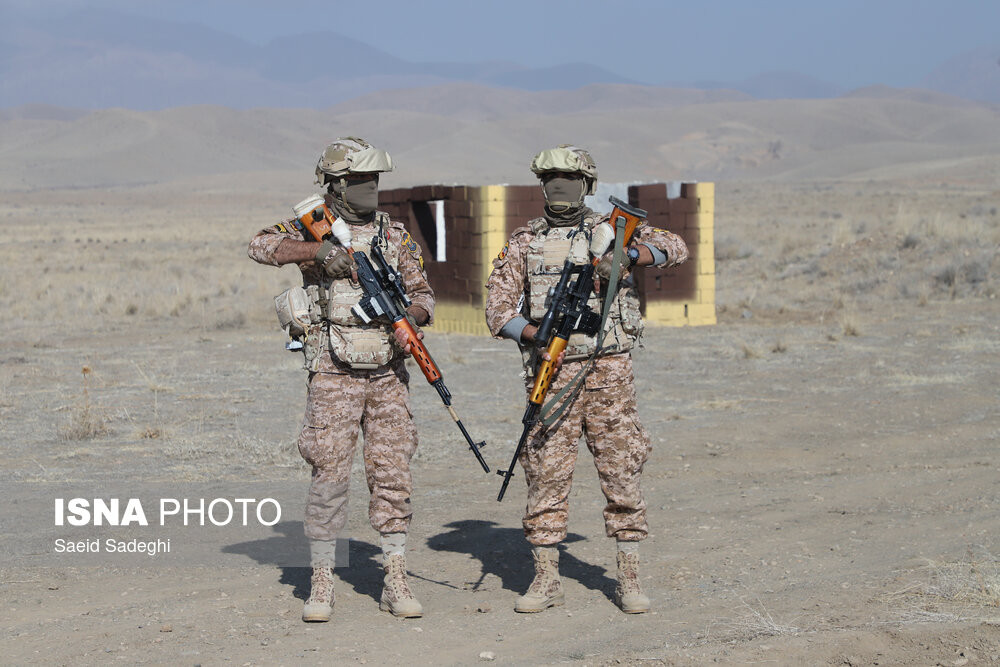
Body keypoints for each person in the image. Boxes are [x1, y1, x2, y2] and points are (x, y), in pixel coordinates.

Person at [485, 145, 689, 614]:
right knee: (545, 474)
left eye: (568, 178)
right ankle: (546, 579)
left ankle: (629, 578)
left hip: (609, 373)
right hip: (552, 372)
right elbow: (497, 310)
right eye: (551, 178)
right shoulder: (524, 241)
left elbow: (676, 247)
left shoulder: (610, 231)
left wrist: (630, 254)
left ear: (587, 185)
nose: (559, 186)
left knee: (621, 470)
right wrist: (535, 334)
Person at [248, 137, 433, 622]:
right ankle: (322, 581)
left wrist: (410, 319)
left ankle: (395, 577)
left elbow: (424, 295)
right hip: (332, 370)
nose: (369, 187)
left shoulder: (394, 236)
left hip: (388, 370)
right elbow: (259, 244)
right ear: (334, 184)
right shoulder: (314, 227)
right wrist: (317, 251)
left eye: (374, 179)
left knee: (392, 470)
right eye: (358, 180)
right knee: (328, 471)